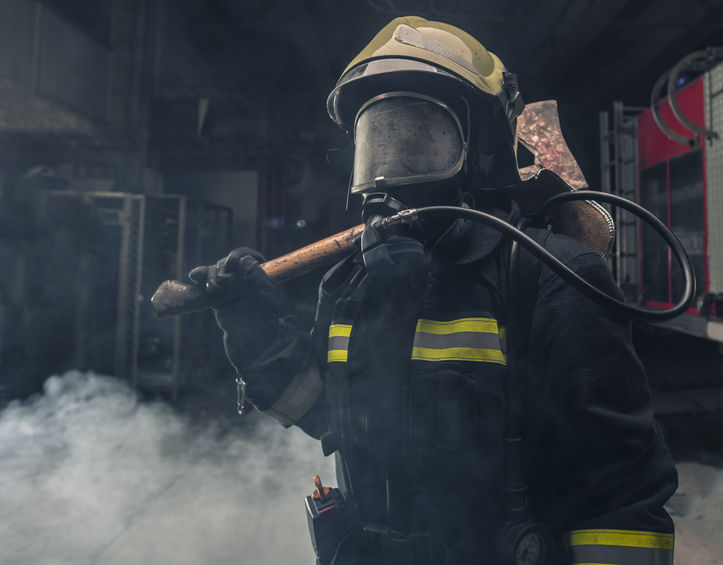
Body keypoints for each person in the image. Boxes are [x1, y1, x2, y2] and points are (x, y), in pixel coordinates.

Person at [189, 16, 677, 565]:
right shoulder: (350, 284)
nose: (386, 177)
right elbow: (326, 413)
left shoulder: (549, 278)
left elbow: (619, 497)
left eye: (421, 139)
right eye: (377, 142)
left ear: (484, 151)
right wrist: (254, 333)